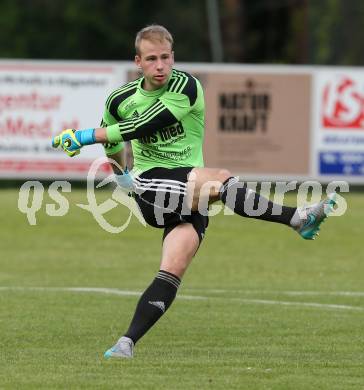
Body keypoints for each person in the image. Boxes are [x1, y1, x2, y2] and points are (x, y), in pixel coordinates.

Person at [52, 25, 336, 359]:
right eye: (152, 59)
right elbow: (115, 142)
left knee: (173, 266)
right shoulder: (120, 100)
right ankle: (297, 218)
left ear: (173, 57)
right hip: (154, 185)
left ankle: (125, 344)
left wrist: (84, 136)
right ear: (138, 62)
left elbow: (145, 125)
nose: (160, 66)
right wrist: (123, 177)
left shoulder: (186, 86)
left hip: (187, 187)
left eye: (166, 57)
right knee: (221, 179)